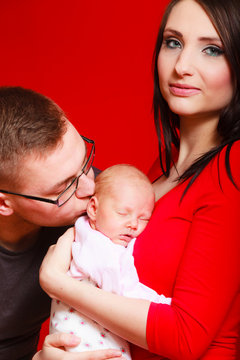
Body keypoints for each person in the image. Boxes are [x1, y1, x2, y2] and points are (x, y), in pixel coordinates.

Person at [40, 0, 240, 359]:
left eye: (212, 49)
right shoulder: (159, 171)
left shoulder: (232, 166)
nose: (181, 66)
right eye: (173, 42)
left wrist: (58, 284)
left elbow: (185, 337)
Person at [0, 86, 126, 360]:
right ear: (3, 204)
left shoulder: (93, 198)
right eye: (65, 187)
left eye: (85, 162)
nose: (90, 187)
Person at [50, 164, 171, 356]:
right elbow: (123, 290)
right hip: (86, 342)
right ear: (93, 208)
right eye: (123, 213)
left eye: (144, 218)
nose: (133, 224)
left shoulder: (96, 233)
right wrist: (164, 304)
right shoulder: (98, 245)